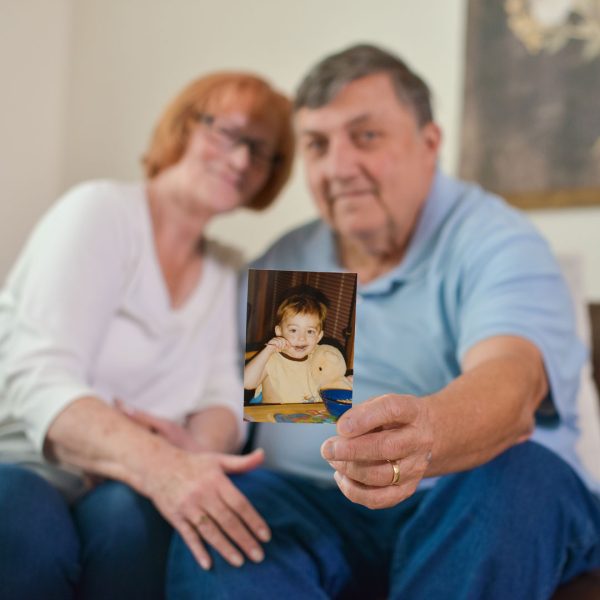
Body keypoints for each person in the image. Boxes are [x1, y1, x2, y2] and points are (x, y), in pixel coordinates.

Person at [167, 45, 600, 599]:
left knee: (518, 477)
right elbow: (240, 394)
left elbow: (513, 386)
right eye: (318, 145)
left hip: (459, 499)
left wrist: (428, 434)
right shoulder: (290, 257)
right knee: (224, 509)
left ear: (429, 145)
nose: (339, 167)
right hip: (309, 506)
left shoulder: (495, 240)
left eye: (366, 136)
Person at [0, 71, 293, 599]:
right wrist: (157, 464)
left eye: (262, 151)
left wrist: (195, 455)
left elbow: (221, 399)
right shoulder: (99, 212)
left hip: (128, 487)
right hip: (29, 465)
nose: (242, 160)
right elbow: (36, 377)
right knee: (25, 518)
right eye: (227, 132)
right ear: (184, 126)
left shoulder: (228, 271)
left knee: (135, 521)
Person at [244, 288, 348, 404]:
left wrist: (345, 383)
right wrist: (267, 351)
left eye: (310, 332)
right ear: (279, 332)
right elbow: (247, 383)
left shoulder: (318, 357)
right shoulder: (271, 359)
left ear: (319, 336)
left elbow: (330, 381)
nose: (301, 338)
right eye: (293, 330)